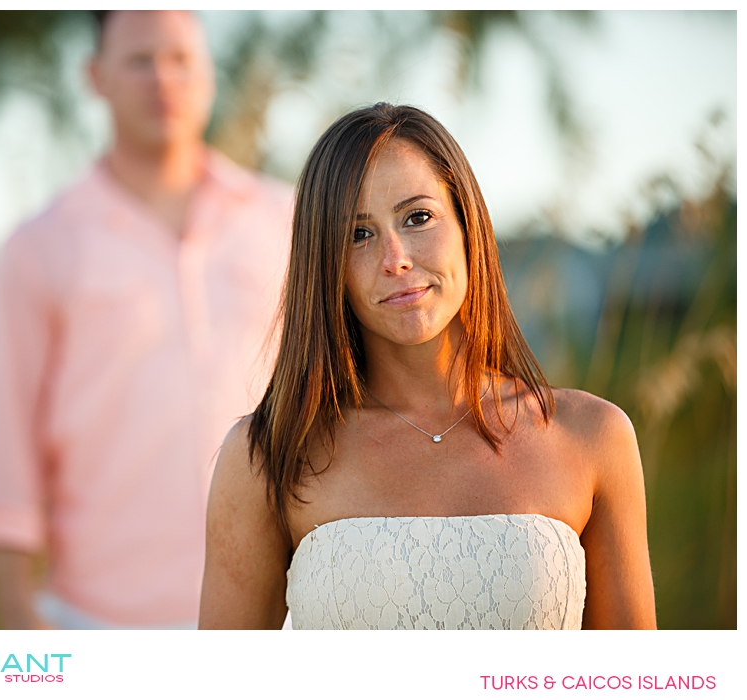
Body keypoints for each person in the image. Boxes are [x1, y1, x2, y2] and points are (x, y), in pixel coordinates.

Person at [199, 103, 657, 630]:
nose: (395, 257)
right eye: (358, 234)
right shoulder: (270, 454)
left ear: (468, 225)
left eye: (418, 218)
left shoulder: (592, 437)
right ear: (325, 265)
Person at [0, 10, 293, 629]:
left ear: (209, 75)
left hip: (278, 615)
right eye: (140, 60)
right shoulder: (41, 246)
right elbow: (5, 438)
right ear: (96, 77)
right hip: (100, 622)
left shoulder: (285, 220)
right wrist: (14, 608)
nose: (163, 79)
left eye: (181, 60)